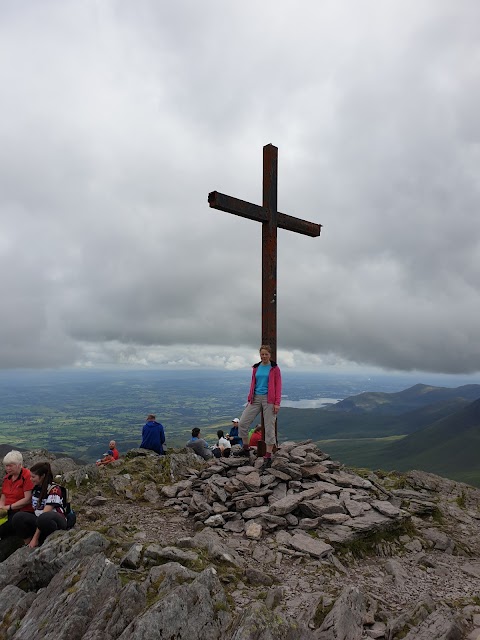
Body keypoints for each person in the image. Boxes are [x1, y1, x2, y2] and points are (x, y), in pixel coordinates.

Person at [235, 344, 282, 468]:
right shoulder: (256, 367)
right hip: (255, 398)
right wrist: (250, 397)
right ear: (260, 355)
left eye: (266, 354)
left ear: (270, 355)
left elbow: (278, 386)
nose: (264, 356)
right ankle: (245, 448)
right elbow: (253, 383)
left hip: (269, 399)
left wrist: (277, 403)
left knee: (269, 427)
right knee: (243, 422)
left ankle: (268, 456)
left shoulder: (274, 368)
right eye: (262, 354)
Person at [11, 461, 67, 548]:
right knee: (18, 517)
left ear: (42, 476)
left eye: (33, 477)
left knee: (43, 518)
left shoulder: (54, 490)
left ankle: (38, 541)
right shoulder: (36, 489)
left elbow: (44, 514)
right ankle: (28, 544)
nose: (30, 479)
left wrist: (35, 538)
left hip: (56, 521)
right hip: (41, 521)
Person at [0, 451, 34, 539]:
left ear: (19, 465)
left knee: (3, 527)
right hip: (7, 510)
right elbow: (3, 496)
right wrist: (1, 508)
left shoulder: (27, 476)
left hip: (21, 511)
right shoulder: (8, 477)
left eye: (10, 465)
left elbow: (27, 499)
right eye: (6, 466)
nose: (7, 468)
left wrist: (9, 507)